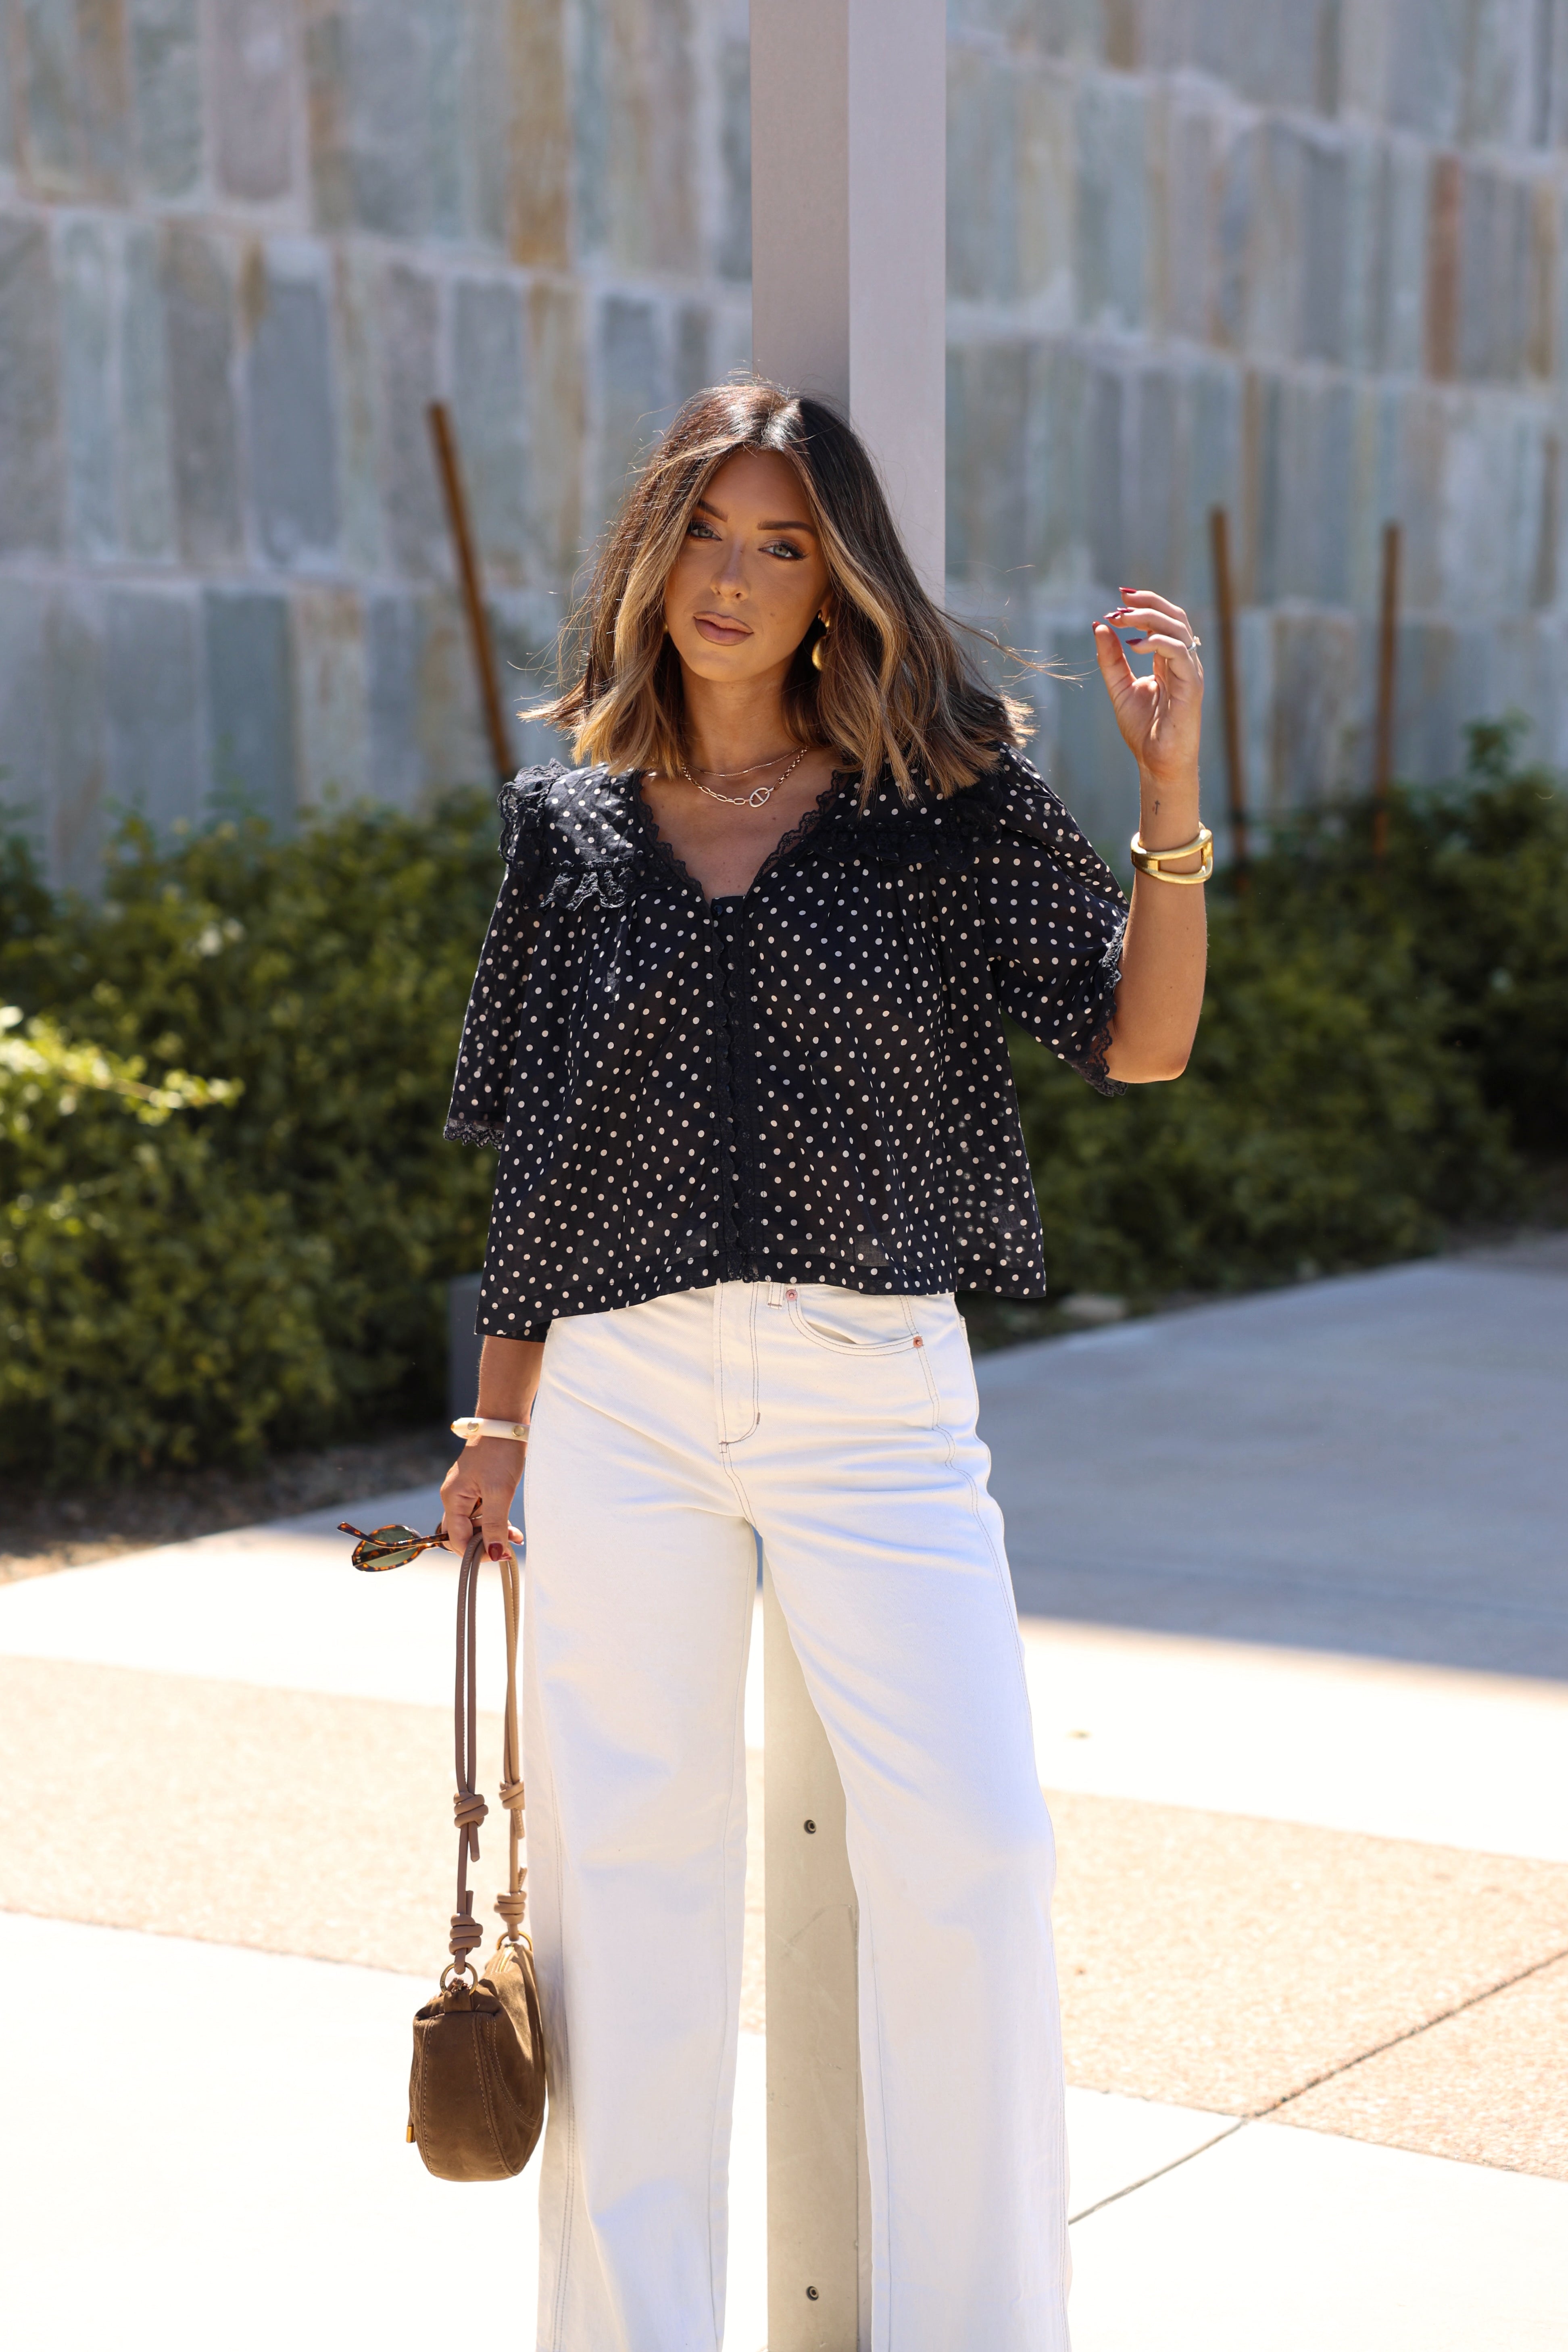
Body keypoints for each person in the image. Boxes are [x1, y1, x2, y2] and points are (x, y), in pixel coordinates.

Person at [439, 380, 1206, 2351]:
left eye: (782, 546)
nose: (735, 578)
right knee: (626, 1887)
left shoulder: (939, 808)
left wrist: (1173, 807)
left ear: (835, 582)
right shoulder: (567, 830)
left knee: (974, 1850)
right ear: (651, 557)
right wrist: (496, 1423)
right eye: (706, 535)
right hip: (619, 1400)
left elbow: (1138, 1043)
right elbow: (541, 1153)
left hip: (875, 1394)